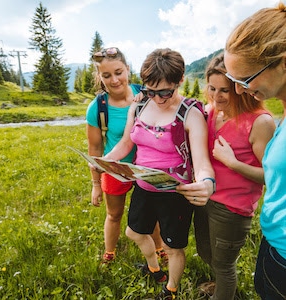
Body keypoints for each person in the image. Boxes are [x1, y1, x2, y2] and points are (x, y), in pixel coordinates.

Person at [105, 48, 215, 299]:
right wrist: (105, 161)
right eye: (151, 90)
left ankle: (171, 289)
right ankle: (154, 268)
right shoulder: (141, 103)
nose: (158, 98)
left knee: (172, 246)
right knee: (133, 232)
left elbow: (201, 162)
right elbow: (126, 143)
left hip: (174, 193)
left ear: (180, 81)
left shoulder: (190, 113)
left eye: (165, 91)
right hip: (144, 187)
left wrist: (206, 182)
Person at [196, 52, 275, 300]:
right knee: (206, 252)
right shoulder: (210, 113)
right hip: (205, 197)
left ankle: (224, 290)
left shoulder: (260, 122)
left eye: (224, 91)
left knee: (224, 265)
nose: (217, 97)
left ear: (240, 89)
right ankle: (219, 286)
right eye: (212, 89)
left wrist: (232, 162)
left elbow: (270, 175)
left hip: (232, 208)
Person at [224, 3, 286, 299]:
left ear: (283, 63)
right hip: (273, 244)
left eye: (245, 80)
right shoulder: (282, 113)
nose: (238, 91)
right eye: (233, 81)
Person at [86, 47, 167, 265]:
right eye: (106, 75)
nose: (114, 80)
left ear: (127, 69)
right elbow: (95, 148)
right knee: (114, 214)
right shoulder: (97, 108)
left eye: (118, 72)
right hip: (114, 168)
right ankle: (109, 253)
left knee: (152, 214)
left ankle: (160, 249)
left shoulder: (146, 95)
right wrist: (95, 184)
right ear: (100, 78)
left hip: (145, 166)